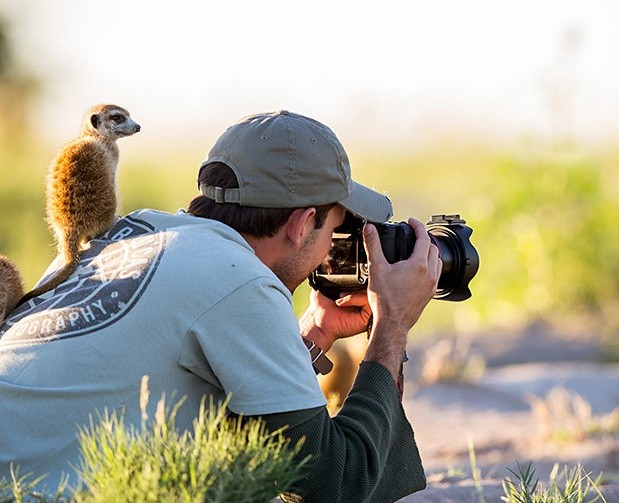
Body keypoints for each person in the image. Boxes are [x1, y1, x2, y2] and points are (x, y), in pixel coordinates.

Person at [0, 110, 440, 501]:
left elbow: (238, 422)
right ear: (304, 224)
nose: (330, 248)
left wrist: (313, 335)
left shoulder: (124, 234)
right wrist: (391, 326)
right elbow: (337, 484)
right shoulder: (240, 279)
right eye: (334, 230)